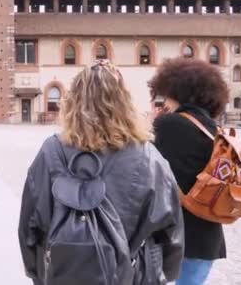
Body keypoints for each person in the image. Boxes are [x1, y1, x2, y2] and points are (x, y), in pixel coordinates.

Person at [18, 59, 184, 284]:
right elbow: (171, 233)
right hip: (129, 275)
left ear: (73, 102)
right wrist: (161, 275)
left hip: (63, 274)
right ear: (125, 103)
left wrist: (38, 274)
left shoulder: (51, 152)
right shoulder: (148, 157)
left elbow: (29, 227)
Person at [149, 57, 229, 285]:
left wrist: (154, 124)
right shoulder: (214, 128)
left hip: (176, 237)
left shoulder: (169, 124)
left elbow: (152, 171)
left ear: (176, 90)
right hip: (208, 237)